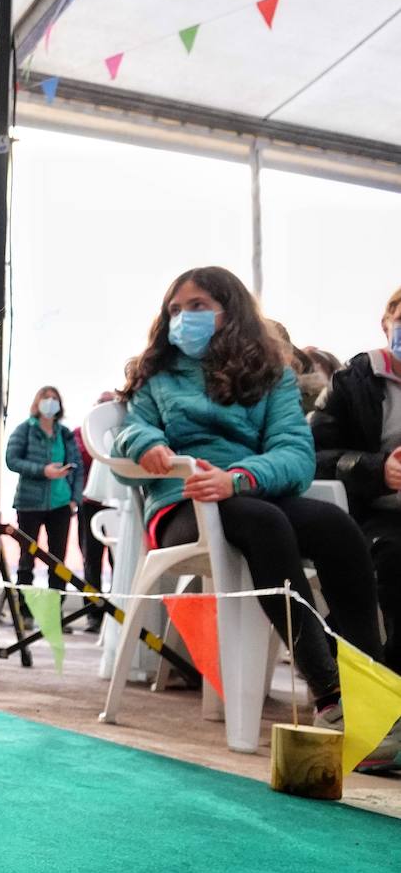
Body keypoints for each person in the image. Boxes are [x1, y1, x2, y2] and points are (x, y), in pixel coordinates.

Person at [116, 266, 398, 771]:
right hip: (184, 506)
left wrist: (239, 477)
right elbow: (128, 429)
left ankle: (375, 699)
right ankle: (330, 696)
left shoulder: (271, 377)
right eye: (176, 309)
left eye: (198, 306)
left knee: (338, 529)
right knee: (266, 524)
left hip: (247, 490)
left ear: (232, 311)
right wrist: (150, 444)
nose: (184, 318)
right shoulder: (154, 375)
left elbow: (295, 453)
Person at [311, 287, 401, 674]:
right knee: (396, 561)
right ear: (386, 325)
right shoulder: (354, 381)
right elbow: (312, 460)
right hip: (374, 515)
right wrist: (377, 469)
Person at [6, 387, 83, 601]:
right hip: (29, 504)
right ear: (37, 402)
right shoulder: (24, 430)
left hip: (61, 504)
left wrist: (74, 500)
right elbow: (11, 460)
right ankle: (24, 611)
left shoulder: (65, 434)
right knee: (26, 559)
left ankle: (55, 614)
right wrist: (42, 470)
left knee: (57, 561)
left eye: (54, 399)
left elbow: (78, 469)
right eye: (46, 398)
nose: (50, 402)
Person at [74, 391, 118, 632]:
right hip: (90, 503)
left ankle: (114, 612)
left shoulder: (122, 432)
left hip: (117, 504)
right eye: (102, 403)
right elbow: (78, 462)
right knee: (91, 559)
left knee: (117, 560)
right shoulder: (82, 434)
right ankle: (93, 614)